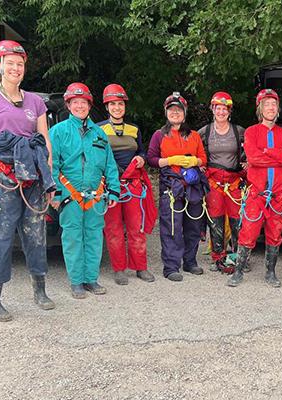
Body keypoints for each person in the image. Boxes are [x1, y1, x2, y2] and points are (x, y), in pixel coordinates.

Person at [0, 40, 55, 321]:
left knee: (35, 234)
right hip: (1, 177)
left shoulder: (35, 102)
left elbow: (44, 144)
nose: (16, 68)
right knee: (2, 237)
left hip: (32, 179)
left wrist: (48, 180)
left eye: (20, 64)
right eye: (10, 63)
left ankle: (39, 289)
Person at [50, 82, 120, 298]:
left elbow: (109, 164)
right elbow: (52, 164)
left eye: (84, 102)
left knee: (93, 237)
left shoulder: (99, 134)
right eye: (75, 102)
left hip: (95, 194)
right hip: (69, 194)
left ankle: (91, 279)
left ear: (89, 106)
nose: (80, 106)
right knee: (72, 238)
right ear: (69, 105)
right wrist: (56, 193)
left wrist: (114, 190)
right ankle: (76, 282)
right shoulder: (58, 132)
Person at [227, 89, 282, 288]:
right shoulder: (251, 132)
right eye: (266, 104)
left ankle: (271, 272)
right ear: (260, 108)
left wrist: (266, 151)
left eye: (274, 104)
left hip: (278, 194)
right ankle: (238, 271)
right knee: (248, 231)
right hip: (257, 193)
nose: (271, 108)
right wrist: (276, 155)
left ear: (278, 108)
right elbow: (253, 158)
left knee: (275, 234)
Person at [98, 84, 156, 285]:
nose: (117, 108)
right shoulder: (99, 129)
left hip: (132, 184)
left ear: (125, 106)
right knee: (113, 228)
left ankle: (140, 267)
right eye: (112, 104)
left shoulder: (134, 129)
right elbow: (97, 156)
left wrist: (141, 158)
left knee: (135, 227)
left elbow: (141, 151)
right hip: (111, 185)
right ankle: (119, 269)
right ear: (107, 107)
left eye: (120, 104)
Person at [147, 92, 208, 282]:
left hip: (192, 185)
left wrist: (194, 161)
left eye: (178, 110)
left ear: (184, 113)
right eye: (171, 110)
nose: (175, 113)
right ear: (166, 112)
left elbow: (204, 159)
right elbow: (151, 159)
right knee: (171, 225)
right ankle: (171, 266)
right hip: (171, 185)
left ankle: (190, 261)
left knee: (193, 224)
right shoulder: (159, 135)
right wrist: (169, 160)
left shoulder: (195, 136)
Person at [198, 91, 246, 274]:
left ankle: (239, 257)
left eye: (224, 109)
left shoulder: (238, 131)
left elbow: (249, 150)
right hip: (214, 182)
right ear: (213, 109)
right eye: (218, 108)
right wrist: (199, 165)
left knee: (237, 221)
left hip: (234, 182)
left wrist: (247, 163)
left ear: (229, 111)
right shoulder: (205, 131)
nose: (221, 112)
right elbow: (195, 150)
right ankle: (218, 256)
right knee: (215, 220)